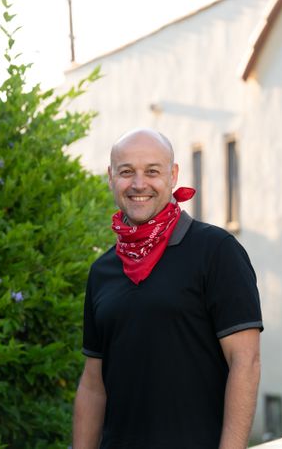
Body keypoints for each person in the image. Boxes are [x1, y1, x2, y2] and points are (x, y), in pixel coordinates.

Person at [73, 128, 263, 449]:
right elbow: (93, 384)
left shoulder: (216, 251)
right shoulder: (102, 269)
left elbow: (246, 363)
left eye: (152, 171)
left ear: (173, 175)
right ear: (110, 177)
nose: (138, 184)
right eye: (126, 172)